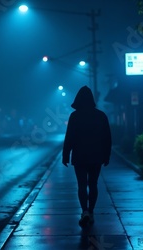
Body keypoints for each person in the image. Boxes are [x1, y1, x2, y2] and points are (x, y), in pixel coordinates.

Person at [62, 85, 112, 227]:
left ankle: (84, 211)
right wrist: (107, 155)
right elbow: (107, 138)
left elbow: (69, 137)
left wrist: (66, 155)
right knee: (93, 184)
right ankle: (91, 211)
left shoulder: (75, 116)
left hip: (80, 156)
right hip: (96, 156)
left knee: (82, 185)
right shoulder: (101, 116)